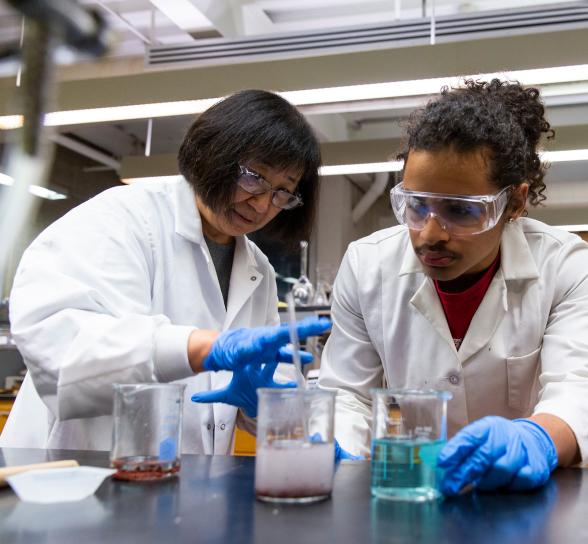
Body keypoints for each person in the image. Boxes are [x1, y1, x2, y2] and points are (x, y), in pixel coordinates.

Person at [0, 89, 330, 453]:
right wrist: (196, 349)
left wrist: (273, 410)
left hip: (183, 488)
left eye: (283, 192)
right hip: (72, 474)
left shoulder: (258, 271)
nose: (264, 203)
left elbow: (255, 388)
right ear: (212, 154)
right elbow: (62, 350)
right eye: (254, 177)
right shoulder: (121, 219)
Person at [319, 79, 587, 494]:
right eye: (416, 204)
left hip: (525, 502)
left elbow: (578, 389)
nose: (430, 234)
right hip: (412, 493)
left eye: (460, 211)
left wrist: (539, 438)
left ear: (514, 202)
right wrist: (344, 450)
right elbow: (347, 395)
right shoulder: (367, 264)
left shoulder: (566, 266)